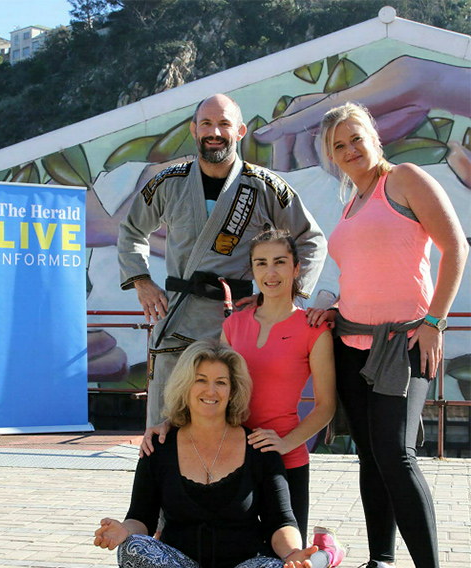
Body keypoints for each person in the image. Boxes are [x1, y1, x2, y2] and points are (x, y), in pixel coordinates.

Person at [306, 102, 469, 568]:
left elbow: (455, 248)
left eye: (355, 138)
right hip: (350, 341)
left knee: (396, 455)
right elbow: (367, 271)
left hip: (404, 342)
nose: (350, 150)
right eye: (338, 146)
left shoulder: (404, 179)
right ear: (332, 158)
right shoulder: (351, 202)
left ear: (373, 135)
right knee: (371, 457)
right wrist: (333, 305)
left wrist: (434, 321)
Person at [94, 341, 344, 568]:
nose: (211, 391)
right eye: (201, 381)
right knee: (133, 548)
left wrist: (291, 553)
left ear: (233, 390)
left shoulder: (260, 448)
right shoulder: (158, 448)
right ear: (186, 386)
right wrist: (122, 531)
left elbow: (281, 522)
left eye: (220, 383)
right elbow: (141, 520)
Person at [117, 93, 327, 429]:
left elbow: (311, 239)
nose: (215, 131)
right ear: (194, 129)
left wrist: (282, 298)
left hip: (242, 324)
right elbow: (130, 230)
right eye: (207, 124)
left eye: (224, 124)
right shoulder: (168, 182)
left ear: (240, 131)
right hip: (180, 319)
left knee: (239, 419)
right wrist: (142, 281)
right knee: (167, 422)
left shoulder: (263, 186)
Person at [220, 227, 336, 548]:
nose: (270, 272)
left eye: (280, 262)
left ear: (297, 268)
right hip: (233, 460)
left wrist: (285, 443)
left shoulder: (314, 329)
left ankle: (327, 552)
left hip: (286, 463)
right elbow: (213, 393)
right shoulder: (233, 325)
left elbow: (326, 406)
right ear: (253, 270)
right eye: (261, 263)